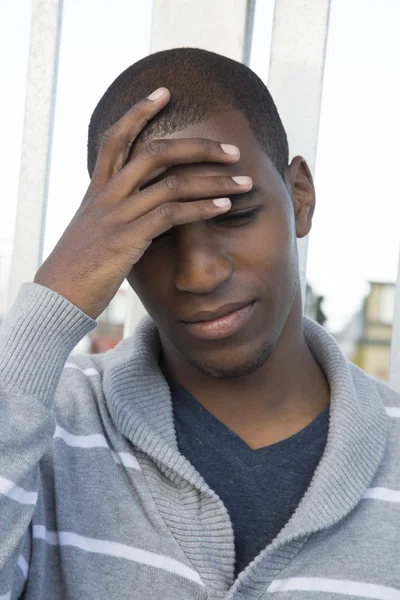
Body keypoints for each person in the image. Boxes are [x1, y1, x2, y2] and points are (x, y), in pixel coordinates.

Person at [0, 47, 399, 600]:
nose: (200, 273)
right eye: (152, 235)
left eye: (234, 216)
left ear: (300, 198)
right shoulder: (38, 434)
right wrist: (53, 300)